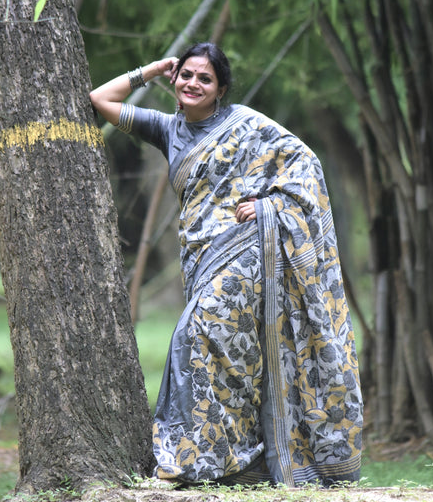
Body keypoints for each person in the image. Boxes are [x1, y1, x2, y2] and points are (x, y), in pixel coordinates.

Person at [90, 42, 363, 487]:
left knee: (194, 332)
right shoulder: (166, 129)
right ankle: (237, 458)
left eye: (205, 78)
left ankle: (192, 455)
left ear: (220, 89)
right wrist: (154, 69)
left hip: (247, 252)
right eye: (186, 75)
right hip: (200, 257)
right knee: (234, 357)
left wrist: (270, 204)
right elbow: (101, 100)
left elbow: (305, 165)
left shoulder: (248, 125)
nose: (193, 83)